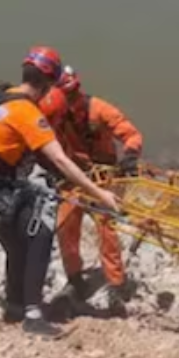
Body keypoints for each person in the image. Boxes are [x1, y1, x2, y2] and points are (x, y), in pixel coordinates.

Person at [0, 46, 121, 339]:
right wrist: (101, 194)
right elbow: (60, 159)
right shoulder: (27, 112)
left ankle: (15, 305)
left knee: (20, 241)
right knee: (41, 225)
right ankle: (33, 314)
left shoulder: (2, 97)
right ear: (49, 84)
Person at [38, 65, 144, 314]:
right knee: (65, 227)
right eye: (67, 94)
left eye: (74, 93)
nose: (71, 99)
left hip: (104, 178)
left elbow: (132, 135)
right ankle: (75, 280)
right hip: (73, 176)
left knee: (107, 229)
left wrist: (129, 156)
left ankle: (116, 284)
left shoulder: (99, 110)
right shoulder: (53, 114)